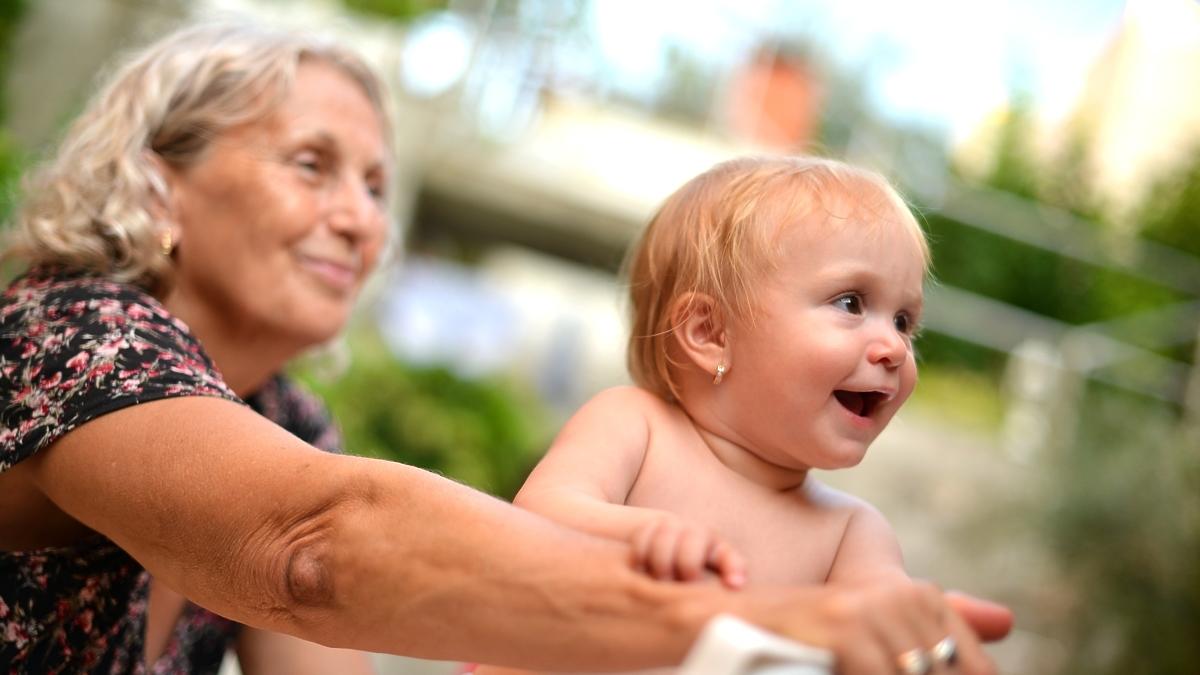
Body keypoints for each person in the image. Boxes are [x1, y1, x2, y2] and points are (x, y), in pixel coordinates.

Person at [0, 21, 1010, 675]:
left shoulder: (287, 421)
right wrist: (741, 634)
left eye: (377, 188)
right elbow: (309, 549)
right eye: (314, 165)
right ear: (157, 184)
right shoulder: (67, 334)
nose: (360, 221)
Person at [479, 157, 993, 675]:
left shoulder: (852, 535)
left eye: (905, 321)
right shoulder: (634, 425)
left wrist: (918, 635)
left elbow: (878, 622)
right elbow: (537, 519)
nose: (895, 348)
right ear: (710, 333)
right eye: (851, 302)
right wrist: (640, 534)